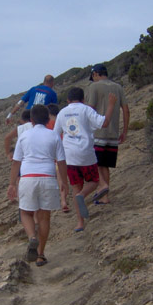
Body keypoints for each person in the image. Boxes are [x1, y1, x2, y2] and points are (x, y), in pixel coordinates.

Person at [8, 104, 68, 267]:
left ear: (32, 120)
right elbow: (61, 162)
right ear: (48, 119)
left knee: (26, 213)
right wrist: (65, 183)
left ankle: (31, 237)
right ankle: (40, 255)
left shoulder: (24, 136)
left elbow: (16, 162)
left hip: (28, 178)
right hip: (48, 178)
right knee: (44, 217)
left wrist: (12, 184)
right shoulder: (54, 136)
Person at [54, 86, 116, 232]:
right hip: (86, 153)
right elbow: (104, 123)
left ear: (68, 100)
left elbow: (56, 134)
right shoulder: (86, 109)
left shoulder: (62, 112)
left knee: (76, 187)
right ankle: (83, 195)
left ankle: (80, 223)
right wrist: (111, 105)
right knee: (94, 182)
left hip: (69, 156)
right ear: (83, 99)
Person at [85, 64, 130, 205]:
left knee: (96, 164)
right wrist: (124, 131)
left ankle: (102, 189)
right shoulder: (118, 87)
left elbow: (89, 110)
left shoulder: (94, 87)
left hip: (97, 132)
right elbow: (126, 110)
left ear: (96, 74)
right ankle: (105, 196)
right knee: (104, 165)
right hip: (113, 133)